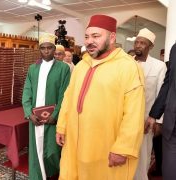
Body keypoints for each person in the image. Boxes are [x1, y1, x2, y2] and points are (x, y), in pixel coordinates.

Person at [56, 14, 145, 180]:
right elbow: (68, 98)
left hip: (105, 147)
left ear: (112, 37)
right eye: (87, 36)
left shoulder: (128, 67)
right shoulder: (82, 65)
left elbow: (134, 113)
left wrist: (123, 148)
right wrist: (61, 126)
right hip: (75, 142)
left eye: (96, 36)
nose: (90, 41)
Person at [22, 33, 71, 180]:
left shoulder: (63, 68)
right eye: (43, 48)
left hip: (53, 119)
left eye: (49, 48)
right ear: (39, 49)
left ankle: (54, 175)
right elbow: (27, 91)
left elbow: (65, 95)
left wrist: (55, 116)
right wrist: (29, 113)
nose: (46, 51)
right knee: (36, 149)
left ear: (54, 48)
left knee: (53, 151)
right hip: (35, 117)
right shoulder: (33, 69)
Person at [132, 28, 167, 180]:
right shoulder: (126, 63)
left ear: (150, 46)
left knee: (143, 155)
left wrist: (158, 121)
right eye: (137, 42)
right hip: (123, 118)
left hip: (145, 119)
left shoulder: (159, 66)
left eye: (142, 43)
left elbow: (161, 95)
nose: (138, 45)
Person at [147, 42, 176, 179]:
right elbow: (168, 83)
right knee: (169, 170)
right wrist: (154, 115)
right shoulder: (175, 48)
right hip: (173, 124)